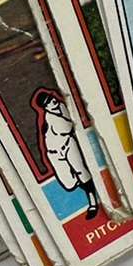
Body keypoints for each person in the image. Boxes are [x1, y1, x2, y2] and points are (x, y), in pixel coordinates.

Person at [32, 88, 99, 219]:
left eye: (51, 98)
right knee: (69, 183)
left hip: (68, 143)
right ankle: (90, 187)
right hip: (55, 153)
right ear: (45, 107)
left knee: (81, 171)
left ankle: (93, 201)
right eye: (48, 102)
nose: (52, 101)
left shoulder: (62, 106)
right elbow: (65, 126)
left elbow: (69, 127)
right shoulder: (50, 118)